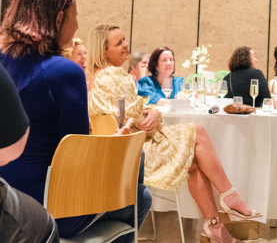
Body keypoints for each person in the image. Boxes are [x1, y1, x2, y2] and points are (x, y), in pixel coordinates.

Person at [0, 0, 151, 241]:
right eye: (75, 16)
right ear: (58, 20)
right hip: (47, 205)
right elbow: (77, 158)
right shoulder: (65, 71)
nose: (78, 24)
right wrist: (114, 144)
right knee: (141, 196)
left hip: (5, 201)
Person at [87, 24, 258, 243]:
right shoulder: (114, 75)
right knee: (198, 131)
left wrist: (152, 111)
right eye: (119, 42)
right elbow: (140, 121)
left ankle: (215, 226)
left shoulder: (97, 76)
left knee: (194, 160)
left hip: (118, 147)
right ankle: (230, 198)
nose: (126, 44)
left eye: (124, 39)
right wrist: (155, 113)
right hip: (130, 151)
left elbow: (128, 112)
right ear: (103, 51)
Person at [0, 62, 59, 243]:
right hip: (53, 200)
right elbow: (14, 140)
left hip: (22, 184)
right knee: (141, 196)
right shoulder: (63, 70)